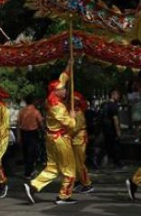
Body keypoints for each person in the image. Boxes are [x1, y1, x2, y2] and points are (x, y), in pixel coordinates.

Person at [23, 66, 78, 205]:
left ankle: (34, 186)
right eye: (62, 89)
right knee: (70, 169)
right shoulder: (57, 106)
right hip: (60, 139)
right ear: (56, 91)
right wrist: (73, 117)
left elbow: (63, 79)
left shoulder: (52, 101)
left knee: (53, 168)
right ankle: (63, 196)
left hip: (52, 138)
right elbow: (70, 125)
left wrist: (68, 67)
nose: (65, 90)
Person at [71, 92, 94, 193]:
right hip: (75, 138)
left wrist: (67, 132)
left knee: (80, 163)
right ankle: (79, 181)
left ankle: (87, 183)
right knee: (75, 163)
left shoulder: (79, 112)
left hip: (79, 139)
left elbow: (76, 127)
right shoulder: (73, 111)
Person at [17, 96, 44, 179]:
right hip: (33, 133)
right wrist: (43, 131)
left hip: (24, 133)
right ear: (33, 101)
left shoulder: (22, 111)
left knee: (26, 153)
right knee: (32, 153)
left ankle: (28, 171)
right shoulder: (36, 112)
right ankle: (29, 172)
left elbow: (18, 124)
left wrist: (18, 136)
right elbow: (40, 122)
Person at [101, 90, 124, 168]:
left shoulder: (103, 105)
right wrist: (118, 131)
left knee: (107, 145)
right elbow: (115, 119)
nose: (118, 97)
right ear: (113, 95)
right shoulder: (114, 106)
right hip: (112, 129)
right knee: (115, 146)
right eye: (117, 95)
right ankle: (117, 163)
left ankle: (106, 162)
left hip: (104, 128)